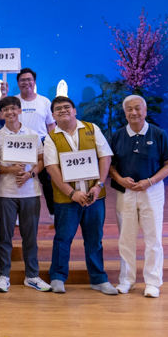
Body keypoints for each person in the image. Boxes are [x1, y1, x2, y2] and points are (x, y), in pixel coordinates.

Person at [43, 96, 117, 295]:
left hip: (95, 197)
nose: (63, 110)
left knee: (94, 239)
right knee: (62, 238)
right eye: (58, 109)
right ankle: (57, 277)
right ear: (53, 115)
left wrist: (98, 185)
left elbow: (105, 157)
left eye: (67, 107)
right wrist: (72, 193)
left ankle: (99, 279)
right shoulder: (50, 137)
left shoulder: (92, 129)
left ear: (75, 110)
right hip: (67, 200)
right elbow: (51, 168)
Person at [109, 95, 168, 298]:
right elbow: (109, 165)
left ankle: (153, 282)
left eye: (138, 108)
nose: (134, 112)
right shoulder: (118, 135)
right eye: (129, 109)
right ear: (125, 112)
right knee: (125, 239)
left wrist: (150, 181)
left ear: (145, 111)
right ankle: (126, 281)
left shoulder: (158, 134)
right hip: (125, 193)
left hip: (152, 191)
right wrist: (119, 180)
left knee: (153, 238)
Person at [0, 96, 51, 293]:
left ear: (20, 110)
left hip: (30, 192)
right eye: (5, 109)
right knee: (5, 236)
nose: (10, 112)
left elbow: (41, 160)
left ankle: (32, 276)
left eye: (13, 109)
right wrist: (11, 170)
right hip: (5, 193)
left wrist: (30, 174)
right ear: (0, 113)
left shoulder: (32, 135)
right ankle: (3, 276)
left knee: (30, 237)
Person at [0, 68, 56, 220]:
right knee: (19, 175)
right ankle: (17, 214)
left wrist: (53, 143)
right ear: (17, 83)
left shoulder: (44, 101)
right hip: (17, 142)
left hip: (40, 143)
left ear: (34, 81)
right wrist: (4, 94)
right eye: (22, 80)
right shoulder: (13, 101)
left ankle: (53, 212)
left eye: (29, 79)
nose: (26, 82)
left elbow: (51, 125)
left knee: (47, 180)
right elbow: (0, 115)